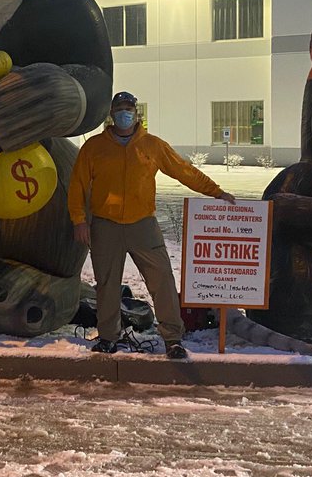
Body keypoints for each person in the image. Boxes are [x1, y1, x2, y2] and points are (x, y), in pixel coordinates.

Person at [68, 91, 236, 359]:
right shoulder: (94, 147)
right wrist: (79, 220)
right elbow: (77, 185)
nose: (125, 113)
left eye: (129, 109)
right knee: (107, 285)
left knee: (163, 282)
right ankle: (109, 336)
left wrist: (215, 191)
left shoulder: (152, 145)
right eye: (120, 109)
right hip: (105, 225)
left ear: (137, 113)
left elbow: (184, 170)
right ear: (111, 114)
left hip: (143, 225)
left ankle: (172, 338)